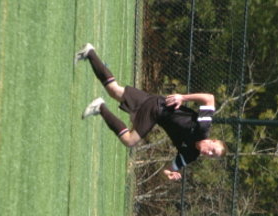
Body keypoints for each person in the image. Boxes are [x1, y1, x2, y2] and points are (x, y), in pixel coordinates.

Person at [75, 42, 227, 181]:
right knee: (130, 140)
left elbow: (167, 169)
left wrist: (168, 174)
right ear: (212, 141)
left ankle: (89, 52)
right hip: (157, 109)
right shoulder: (203, 128)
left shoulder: (190, 155)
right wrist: (183, 97)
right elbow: (209, 98)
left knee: (114, 91)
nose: (209, 154)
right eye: (213, 150)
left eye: (212, 156)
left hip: (156, 105)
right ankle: (100, 107)